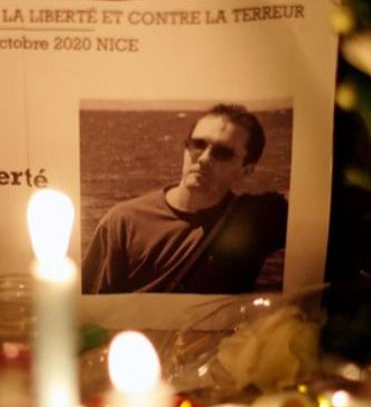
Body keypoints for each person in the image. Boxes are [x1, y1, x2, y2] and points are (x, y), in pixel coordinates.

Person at [82, 103, 288, 294]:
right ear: (185, 148)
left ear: (246, 170)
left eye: (222, 152)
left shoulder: (257, 219)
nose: (204, 158)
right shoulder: (123, 222)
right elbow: (92, 308)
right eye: (197, 144)